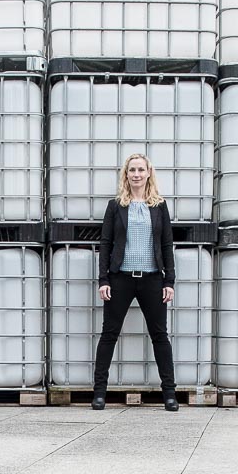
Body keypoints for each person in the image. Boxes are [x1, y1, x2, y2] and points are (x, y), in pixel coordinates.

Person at [92, 153, 178, 411]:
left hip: (152, 279)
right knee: (109, 334)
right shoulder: (116, 206)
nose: (137, 174)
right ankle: (99, 394)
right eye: (132, 170)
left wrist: (169, 281)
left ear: (149, 173)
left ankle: (170, 394)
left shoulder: (159, 206)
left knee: (160, 336)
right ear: (126, 175)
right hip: (121, 279)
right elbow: (105, 244)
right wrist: (103, 279)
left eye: (141, 169)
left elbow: (166, 245)